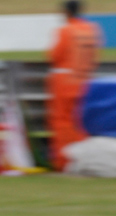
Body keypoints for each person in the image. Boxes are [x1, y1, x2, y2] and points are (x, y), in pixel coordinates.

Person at [46, 0, 101, 171]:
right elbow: (95, 57)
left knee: (62, 122)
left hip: (64, 84)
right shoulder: (92, 30)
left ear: (66, 12)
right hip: (85, 82)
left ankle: (63, 161)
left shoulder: (65, 30)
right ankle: (84, 160)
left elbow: (54, 55)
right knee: (83, 123)